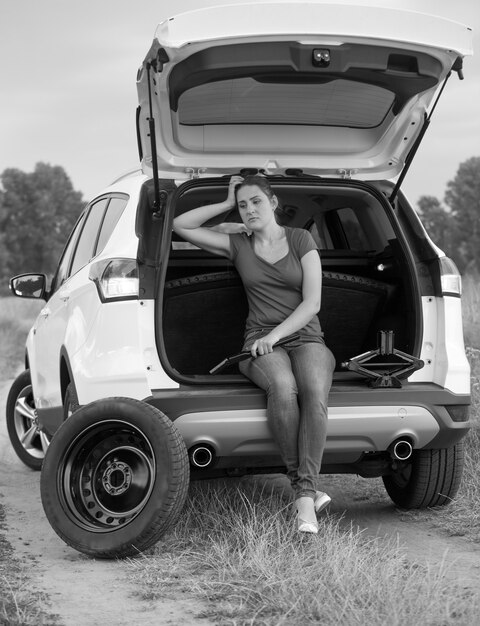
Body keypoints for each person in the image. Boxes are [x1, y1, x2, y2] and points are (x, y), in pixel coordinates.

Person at [173, 175, 335, 534]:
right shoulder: (238, 245)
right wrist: (225, 204)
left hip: (306, 338)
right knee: (282, 386)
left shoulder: (301, 240)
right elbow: (180, 224)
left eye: (256, 202)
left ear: (273, 203)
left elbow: (313, 303)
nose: (249, 210)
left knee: (314, 392)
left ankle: (302, 493)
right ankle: (305, 496)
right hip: (258, 341)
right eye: (243, 204)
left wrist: (277, 335)